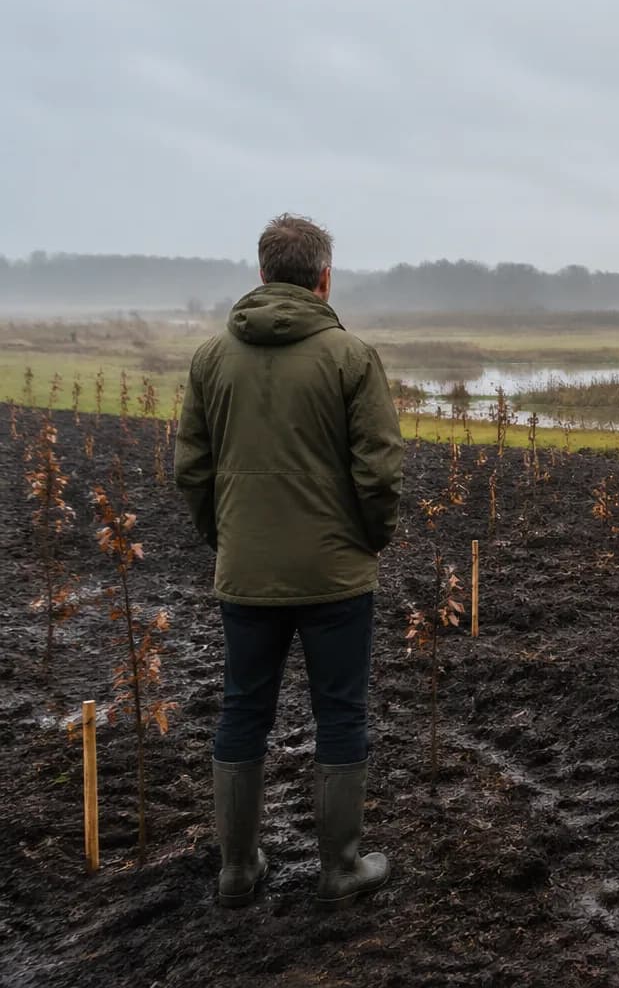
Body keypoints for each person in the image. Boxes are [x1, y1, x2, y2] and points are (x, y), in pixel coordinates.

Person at [174, 214, 404, 910]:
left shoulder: (212, 358)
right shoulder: (351, 357)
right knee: (340, 714)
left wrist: (229, 539)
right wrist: (370, 540)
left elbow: (192, 469)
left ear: (264, 274)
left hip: (246, 574)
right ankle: (341, 868)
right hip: (336, 576)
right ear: (324, 278)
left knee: (243, 710)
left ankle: (238, 871)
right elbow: (380, 471)